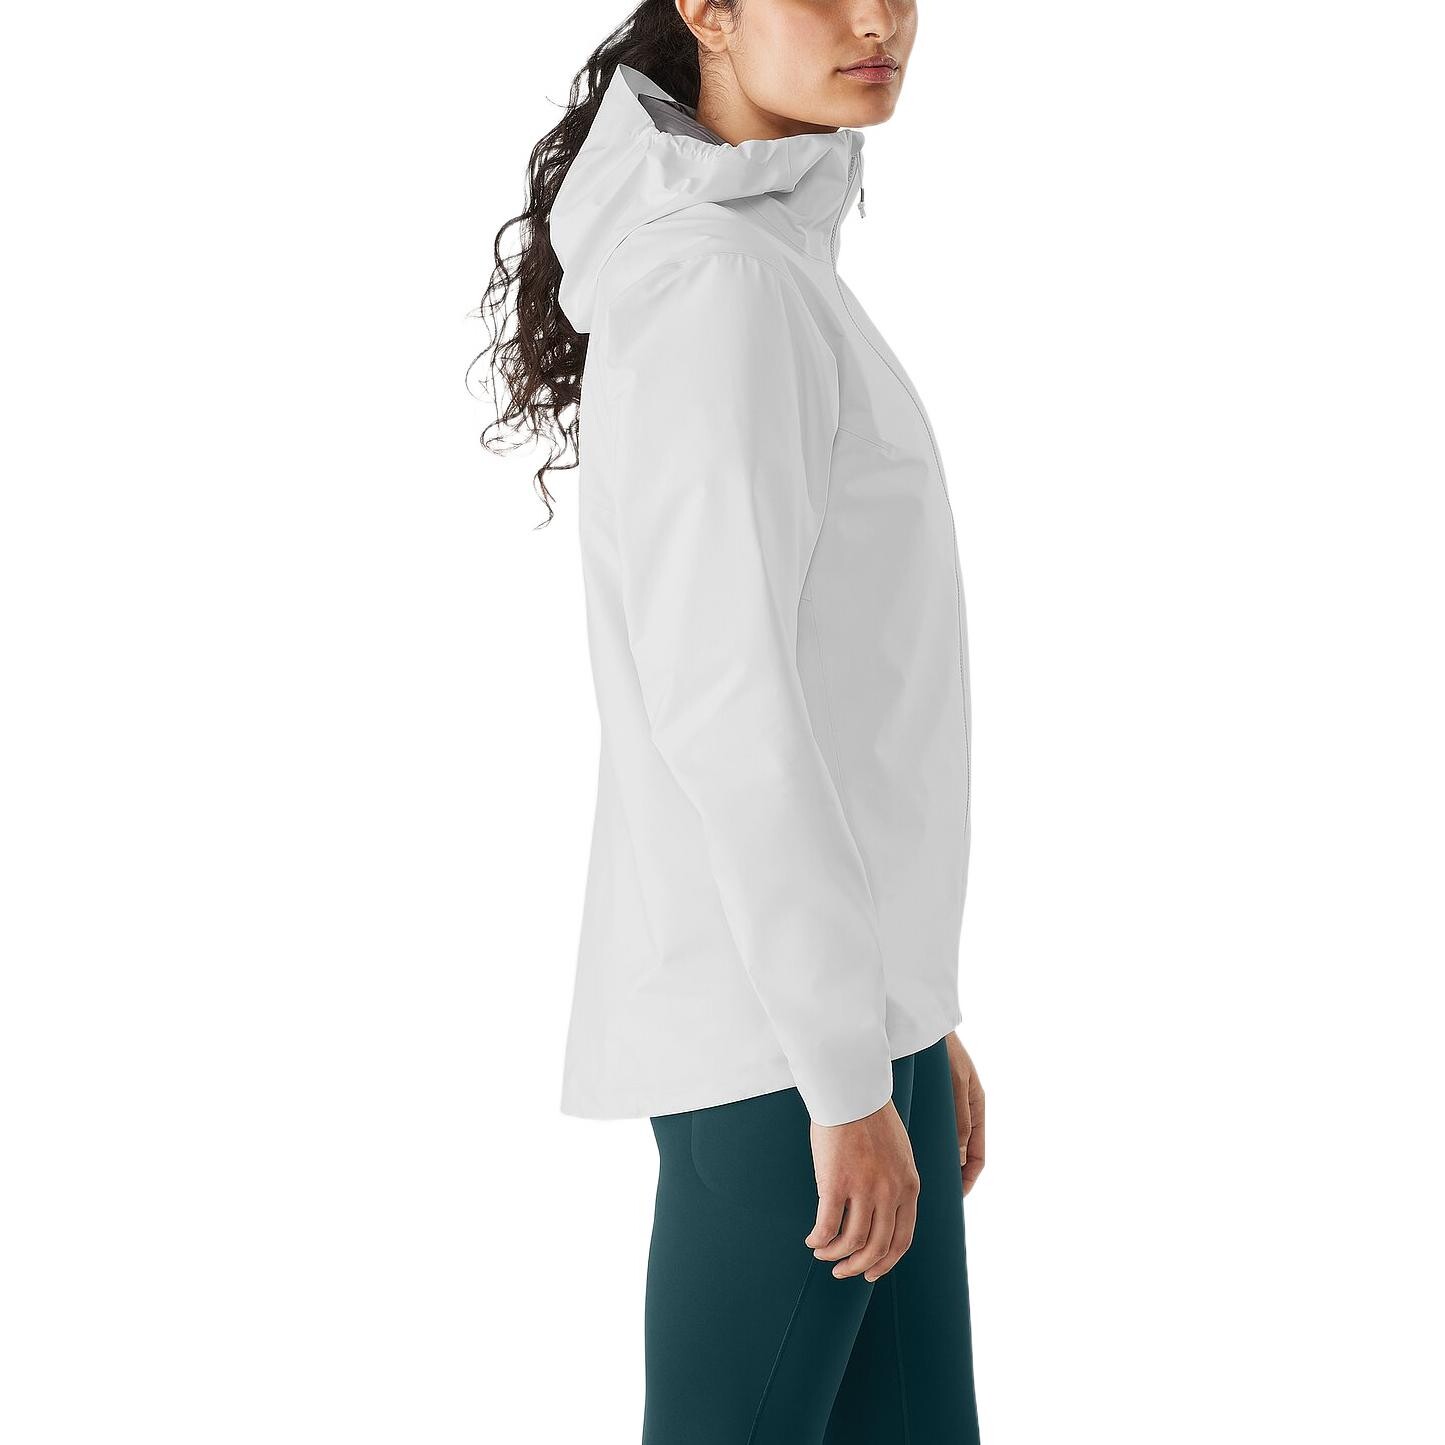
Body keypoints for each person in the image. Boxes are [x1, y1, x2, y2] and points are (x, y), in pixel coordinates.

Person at [475, 3, 984, 1439]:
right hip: (779, 1059)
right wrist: (846, 1063)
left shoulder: (768, 264)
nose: (876, 19)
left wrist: (905, 1017)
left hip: (839, 1035)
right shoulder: (716, 290)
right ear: (707, 9)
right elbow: (729, 705)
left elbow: (843, 693)